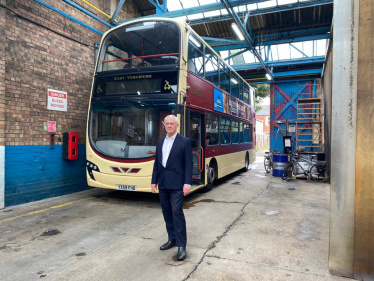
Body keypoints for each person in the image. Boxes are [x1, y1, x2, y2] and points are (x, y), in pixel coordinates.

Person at [151, 115, 193, 261]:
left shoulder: (185, 142)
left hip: (177, 184)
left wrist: (187, 183)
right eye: (166, 124)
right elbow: (157, 163)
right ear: (164, 125)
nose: (169, 126)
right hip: (163, 183)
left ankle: (182, 245)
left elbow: (188, 164)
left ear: (177, 125)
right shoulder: (160, 142)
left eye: (171, 124)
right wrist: (153, 181)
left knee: (177, 212)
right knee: (167, 212)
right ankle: (172, 239)